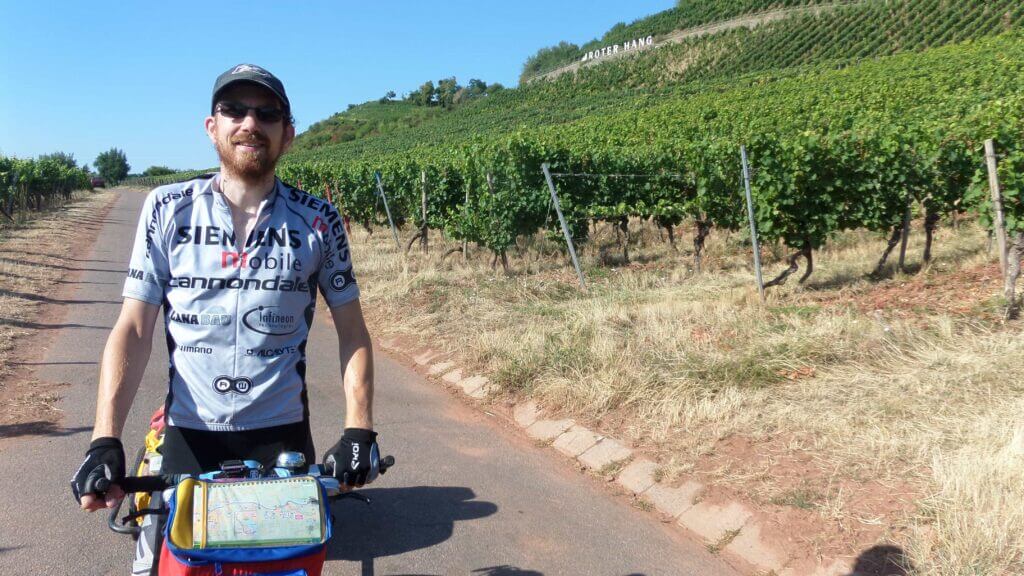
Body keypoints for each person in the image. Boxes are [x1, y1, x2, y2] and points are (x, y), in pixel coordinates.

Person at [71, 63, 380, 511]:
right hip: (191, 434)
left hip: (282, 434)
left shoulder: (319, 221)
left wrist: (359, 430)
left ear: (287, 133)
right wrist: (104, 439)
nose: (250, 123)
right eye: (234, 110)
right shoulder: (167, 208)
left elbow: (352, 330)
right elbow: (134, 329)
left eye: (267, 113)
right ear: (212, 127)